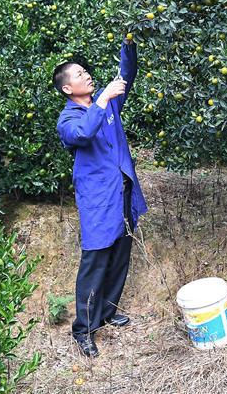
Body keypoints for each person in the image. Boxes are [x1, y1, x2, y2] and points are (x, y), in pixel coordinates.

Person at [53, 39, 147, 357]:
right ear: (68, 88)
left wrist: (129, 43)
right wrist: (103, 98)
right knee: (95, 260)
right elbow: (83, 134)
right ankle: (84, 329)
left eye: (85, 72)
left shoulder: (108, 106)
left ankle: (106, 313)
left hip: (121, 191)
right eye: (79, 74)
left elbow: (126, 75)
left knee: (121, 253)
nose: (87, 75)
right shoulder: (69, 120)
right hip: (97, 200)